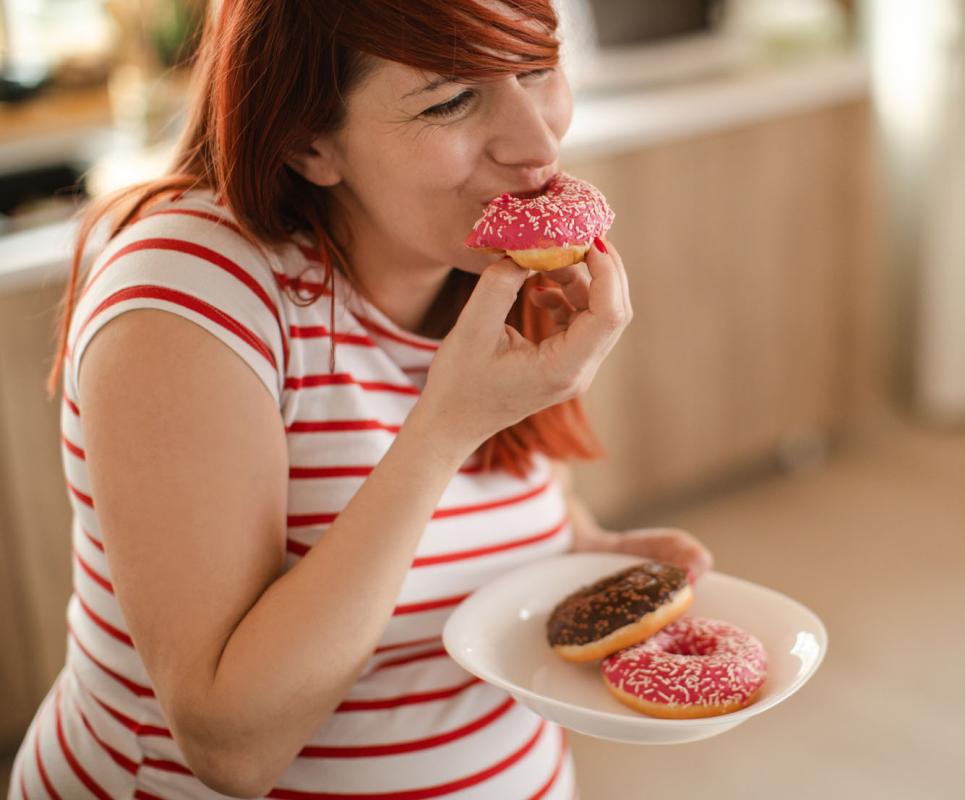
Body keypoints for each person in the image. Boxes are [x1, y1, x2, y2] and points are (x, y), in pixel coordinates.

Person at [6, 1, 713, 797]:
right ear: (310, 141)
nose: (539, 143)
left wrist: (582, 548)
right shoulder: (187, 289)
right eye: (449, 99)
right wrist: (445, 428)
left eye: (536, 66)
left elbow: (483, 505)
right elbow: (233, 748)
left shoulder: (469, 260)